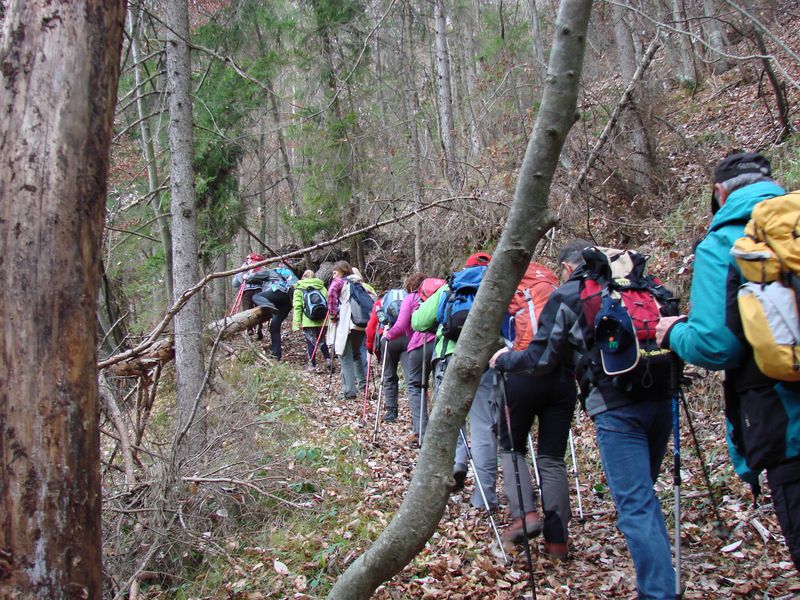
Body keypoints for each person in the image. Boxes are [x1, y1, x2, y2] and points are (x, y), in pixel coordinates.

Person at [491, 240, 675, 598]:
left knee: (635, 504)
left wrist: (504, 360)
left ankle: (657, 592)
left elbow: (540, 357)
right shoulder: (643, 287)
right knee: (559, 461)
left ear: (566, 267)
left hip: (614, 405)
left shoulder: (571, 295)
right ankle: (558, 541)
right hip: (661, 395)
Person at [657, 151, 800, 571]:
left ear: (719, 193)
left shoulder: (725, 240)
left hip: (786, 419)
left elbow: (716, 346)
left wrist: (673, 332)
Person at [495, 261, 575, 560]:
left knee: (512, 448)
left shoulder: (509, 284)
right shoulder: (555, 285)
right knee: (552, 458)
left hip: (523, 371)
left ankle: (524, 516)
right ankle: (558, 541)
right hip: (563, 377)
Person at [412, 252, 499, 511]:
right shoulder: (501, 285)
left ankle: (458, 464)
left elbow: (419, 321)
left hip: (450, 358)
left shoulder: (453, 284)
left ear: (466, 267)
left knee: (451, 421)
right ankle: (484, 498)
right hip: (489, 359)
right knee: (484, 427)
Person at [386, 273, 436, 441]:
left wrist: (388, 335)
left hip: (419, 344)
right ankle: (439, 432)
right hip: (440, 343)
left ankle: (421, 432)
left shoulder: (411, 297)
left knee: (416, 386)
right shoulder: (439, 295)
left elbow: (400, 325)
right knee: (438, 386)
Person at [327, 261, 376, 400]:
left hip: (347, 323)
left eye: (335, 272)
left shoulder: (339, 282)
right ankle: (363, 388)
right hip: (361, 324)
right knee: (356, 354)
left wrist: (333, 315)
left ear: (342, 271)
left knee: (344, 355)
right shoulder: (358, 283)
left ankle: (348, 391)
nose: (333, 275)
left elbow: (331, 294)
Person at [366, 288, 409, 423]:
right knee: (411, 378)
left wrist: (369, 346)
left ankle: (391, 411)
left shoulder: (380, 303)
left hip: (388, 339)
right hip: (408, 338)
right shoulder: (408, 299)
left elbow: (371, 327)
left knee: (389, 375)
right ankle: (417, 412)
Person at [252, 263, 296, 361]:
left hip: (278, 292)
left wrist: (247, 277)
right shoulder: (291, 274)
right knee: (274, 327)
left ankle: (269, 306)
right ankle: (276, 355)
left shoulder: (273, 271)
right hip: (288, 301)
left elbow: (254, 277)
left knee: (256, 297)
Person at [292, 269, 332, 373]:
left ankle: (313, 365)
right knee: (322, 340)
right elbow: (328, 302)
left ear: (303, 276)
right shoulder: (321, 286)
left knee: (311, 342)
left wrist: (297, 322)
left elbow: (297, 307)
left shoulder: (299, 289)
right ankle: (328, 360)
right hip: (323, 319)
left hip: (307, 320)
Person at [231, 252, 267, 339]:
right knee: (259, 310)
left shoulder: (244, 266)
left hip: (246, 291)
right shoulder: (262, 266)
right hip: (259, 290)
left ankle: (250, 330)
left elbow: (235, 283)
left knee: (247, 311)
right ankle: (259, 330)